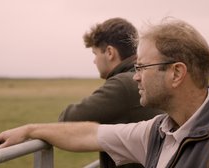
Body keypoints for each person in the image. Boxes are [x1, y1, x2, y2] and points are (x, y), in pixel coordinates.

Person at [0, 17, 209, 168]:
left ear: (177, 73)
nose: (137, 76)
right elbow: (88, 134)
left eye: (143, 66)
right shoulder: (159, 131)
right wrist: (30, 130)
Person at [60, 17, 162, 168]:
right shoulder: (145, 75)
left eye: (95, 54)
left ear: (109, 52)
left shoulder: (123, 84)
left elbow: (67, 120)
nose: (94, 61)